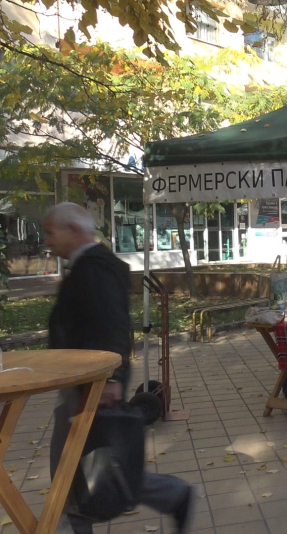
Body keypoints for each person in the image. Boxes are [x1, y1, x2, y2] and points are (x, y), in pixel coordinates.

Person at [44, 203, 193, 534]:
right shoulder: (88, 266)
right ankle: (174, 495)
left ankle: (174, 494)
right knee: (91, 470)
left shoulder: (95, 269)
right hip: (84, 382)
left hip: (92, 384)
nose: (47, 241)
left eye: (50, 232)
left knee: (75, 475)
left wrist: (112, 378)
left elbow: (112, 325)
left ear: (73, 230)